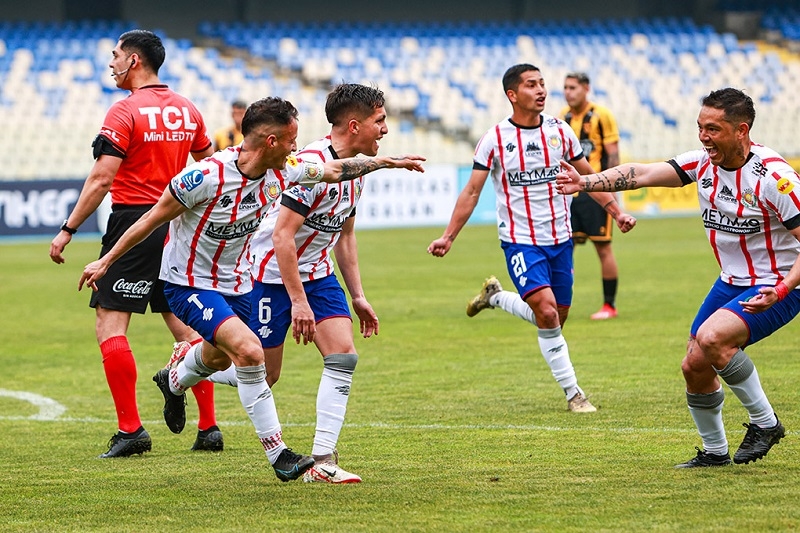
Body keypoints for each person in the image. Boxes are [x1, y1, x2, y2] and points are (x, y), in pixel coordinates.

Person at [78, 96, 425, 481]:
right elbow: (150, 220)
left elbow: (333, 170)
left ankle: (175, 378)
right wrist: (105, 261)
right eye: (292, 140)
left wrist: (386, 162)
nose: (298, 147)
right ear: (272, 142)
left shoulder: (285, 170)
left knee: (217, 359)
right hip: (188, 283)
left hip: (240, 283)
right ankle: (280, 456)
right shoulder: (205, 177)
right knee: (249, 352)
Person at [556, 87, 796, 467]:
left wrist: (782, 289)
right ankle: (715, 452)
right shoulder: (701, 163)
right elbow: (643, 173)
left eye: (713, 129)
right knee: (694, 365)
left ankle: (765, 423)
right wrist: (586, 183)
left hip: (780, 282)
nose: (703, 137)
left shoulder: (775, 179)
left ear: (741, 130)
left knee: (713, 339)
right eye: (700, 127)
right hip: (731, 280)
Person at [48, 29, 220, 458]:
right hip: (178, 220)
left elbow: (102, 178)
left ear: (135, 61)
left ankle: (131, 431)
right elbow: (210, 165)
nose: (111, 63)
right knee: (186, 322)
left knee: (110, 321)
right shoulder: (187, 109)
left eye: (116, 56)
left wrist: (68, 227)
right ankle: (209, 427)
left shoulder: (125, 111)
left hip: (134, 219)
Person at [427, 64, 636, 413]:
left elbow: (589, 178)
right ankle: (575, 395)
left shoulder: (560, 132)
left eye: (542, 84)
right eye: (531, 85)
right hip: (520, 240)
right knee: (548, 312)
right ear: (513, 94)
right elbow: (472, 191)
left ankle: (494, 299)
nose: (541, 90)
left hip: (560, 238)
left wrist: (617, 212)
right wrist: (449, 236)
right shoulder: (494, 139)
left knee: (556, 315)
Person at [560, 72, 622, 320]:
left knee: (603, 247)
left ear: (586, 88)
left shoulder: (601, 116)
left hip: (595, 189)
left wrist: (611, 188)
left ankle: (609, 305)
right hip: (569, 192)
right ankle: (561, 301)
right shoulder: (561, 117)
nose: (568, 92)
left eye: (573, 87)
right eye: (565, 87)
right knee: (565, 247)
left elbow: (613, 154)